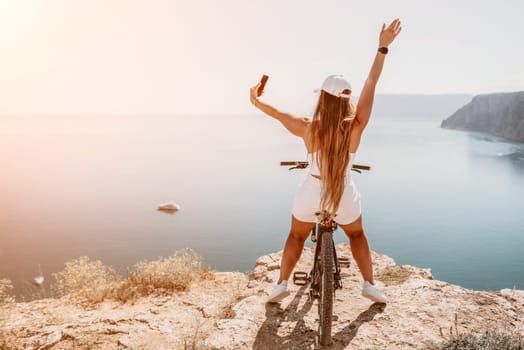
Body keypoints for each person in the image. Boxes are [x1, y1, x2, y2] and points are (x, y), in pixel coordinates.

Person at [249, 19, 402, 304]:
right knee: (356, 235)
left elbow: (277, 113)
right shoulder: (355, 126)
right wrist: (382, 48)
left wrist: (256, 100)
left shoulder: (308, 127)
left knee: (296, 236)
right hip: (343, 192)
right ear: (346, 100)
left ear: (322, 97)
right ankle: (369, 284)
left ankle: (281, 284)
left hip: (311, 191)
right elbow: (371, 84)